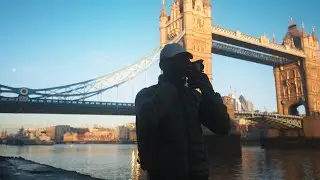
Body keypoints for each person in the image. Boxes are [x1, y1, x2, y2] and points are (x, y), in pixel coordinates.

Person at [135, 43, 231, 180]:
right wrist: (172, 85)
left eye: (186, 61)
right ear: (163, 66)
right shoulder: (146, 95)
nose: (185, 65)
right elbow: (148, 119)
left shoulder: (194, 97)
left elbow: (223, 127)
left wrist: (208, 91)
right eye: (178, 61)